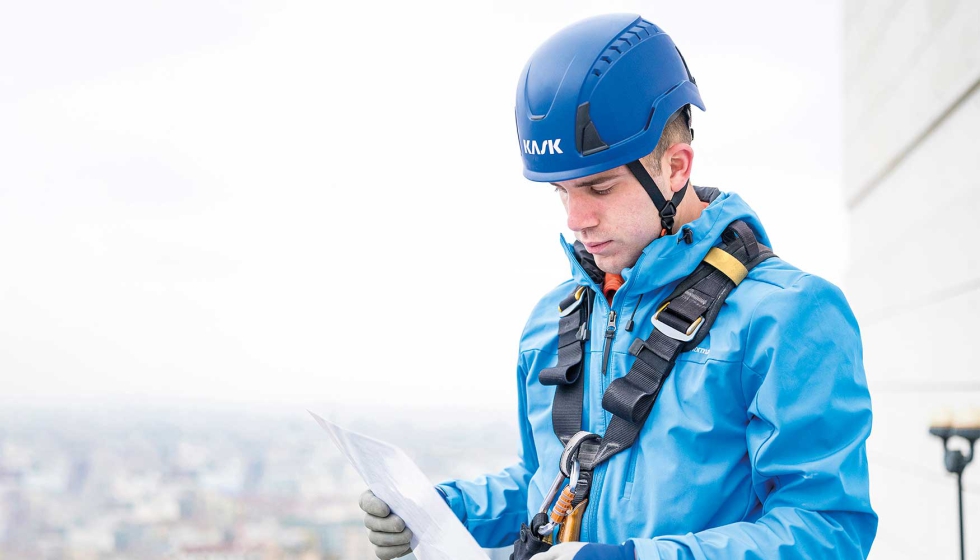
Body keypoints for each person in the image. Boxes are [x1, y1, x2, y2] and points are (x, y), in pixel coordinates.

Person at [359, 13, 877, 560]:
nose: (575, 219)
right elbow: (552, 481)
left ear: (675, 168)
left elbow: (826, 531)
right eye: (561, 192)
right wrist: (445, 510)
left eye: (599, 187)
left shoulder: (786, 316)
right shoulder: (554, 320)